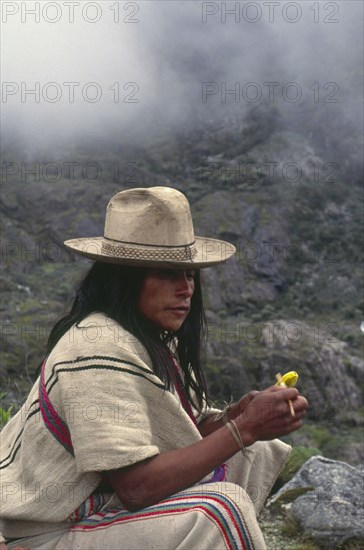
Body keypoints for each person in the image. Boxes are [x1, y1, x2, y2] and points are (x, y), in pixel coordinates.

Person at [0, 186, 308, 549]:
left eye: (190, 275)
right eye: (167, 274)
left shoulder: (152, 339)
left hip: (97, 512)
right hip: (46, 533)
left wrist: (236, 417)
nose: (186, 289)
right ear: (125, 279)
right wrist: (246, 426)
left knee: (251, 451)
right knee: (219, 511)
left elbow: (180, 428)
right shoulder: (94, 347)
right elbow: (136, 486)